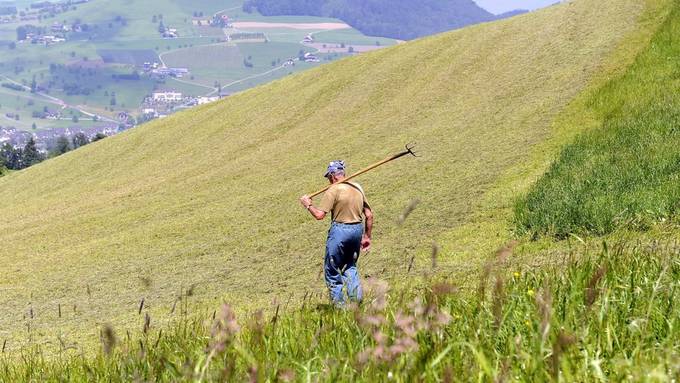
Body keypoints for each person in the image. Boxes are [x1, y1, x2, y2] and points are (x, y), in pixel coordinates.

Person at [300, 160, 373, 306]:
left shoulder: (333, 190)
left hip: (340, 231)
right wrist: (367, 236)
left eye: (328, 178)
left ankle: (340, 309)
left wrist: (308, 205)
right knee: (350, 266)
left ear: (333, 176)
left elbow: (320, 215)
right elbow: (369, 214)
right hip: (357, 230)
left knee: (332, 270)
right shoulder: (357, 187)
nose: (328, 181)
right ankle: (357, 304)